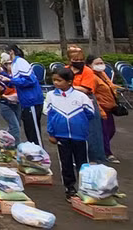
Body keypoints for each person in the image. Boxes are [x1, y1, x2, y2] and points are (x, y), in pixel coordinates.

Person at [45, 66, 95, 200]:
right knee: (65, 162)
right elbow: (49, 115)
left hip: (79, 136)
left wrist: (79, 123)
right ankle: (69, 187)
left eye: (59, 80)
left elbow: (90, 113)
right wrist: (51, 133)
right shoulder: (51, 96)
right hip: (61, 136)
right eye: (54, 80)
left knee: (82, 162)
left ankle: (85, 187)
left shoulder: (81, 96)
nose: (56, 83)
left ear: (69, 82)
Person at [66, 46, 106, 163]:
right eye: (75, 60)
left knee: (93, 132)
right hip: (70, 102)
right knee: (74, 131)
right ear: (70, 60)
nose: (78, 62)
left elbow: (86, 89)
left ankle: (96, 159)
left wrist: (69, 87)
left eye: (81, 60)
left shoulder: (87, 71)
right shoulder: (66, 70)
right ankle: (78, 159)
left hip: (87, 101)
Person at [1, 44, 43, 145]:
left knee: (34, 132)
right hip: (25, 101)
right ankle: (33, 151)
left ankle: (39, 152)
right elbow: (16, 82)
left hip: (31, 100)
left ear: (11, 52)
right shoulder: (15, 63)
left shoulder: (20, 62)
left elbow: (30, 80)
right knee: (29, 130)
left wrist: (11, 80)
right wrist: (5, 79)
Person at [87, 55, 120, 164]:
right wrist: (100, 110)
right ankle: (107, 153)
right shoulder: (92, 77)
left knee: (111, 130)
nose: (101, 65)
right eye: (97, 63)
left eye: (101, 62)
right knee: (104, 132)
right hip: (101, 108)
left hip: (109, 107)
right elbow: (92, 94)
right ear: (89, 65)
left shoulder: (102, 74)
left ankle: (100, 148)